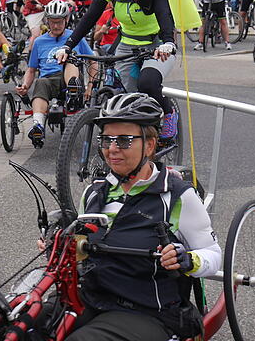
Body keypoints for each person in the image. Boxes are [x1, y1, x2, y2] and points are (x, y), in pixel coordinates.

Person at [45, 92, 220, 341]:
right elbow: (83, 249)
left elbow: (213, 255)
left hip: (147, 311)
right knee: (21, 325)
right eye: (107, 140)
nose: (112, 149)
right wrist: (61, 245)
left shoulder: (177, 195)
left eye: (125, 140)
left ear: (149, 144)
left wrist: (187, 259)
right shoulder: (95, 192)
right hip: (93, 296)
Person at [60, 0, 179, 140]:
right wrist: (68, 45)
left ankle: (168, 113)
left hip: (157, 44)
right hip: (127, 43)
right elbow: (90, 16)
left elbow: (164, 13)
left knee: (148, 84)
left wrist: (168, 42)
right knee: (129, 96)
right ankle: (138, 140)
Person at [17, 0, 92, 148]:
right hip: (49, 80)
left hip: (70, 77)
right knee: (40, 82)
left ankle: (73, 93)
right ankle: (38, 126)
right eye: (52, 22)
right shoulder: (39, 42)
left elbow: (92, 61)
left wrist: (90, 86)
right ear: (47, 21)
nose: (56, 26)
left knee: (70, 59)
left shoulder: (75, 37)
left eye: (59, 22)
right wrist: (25, 85)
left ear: (66, 20)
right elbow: (31, 70)